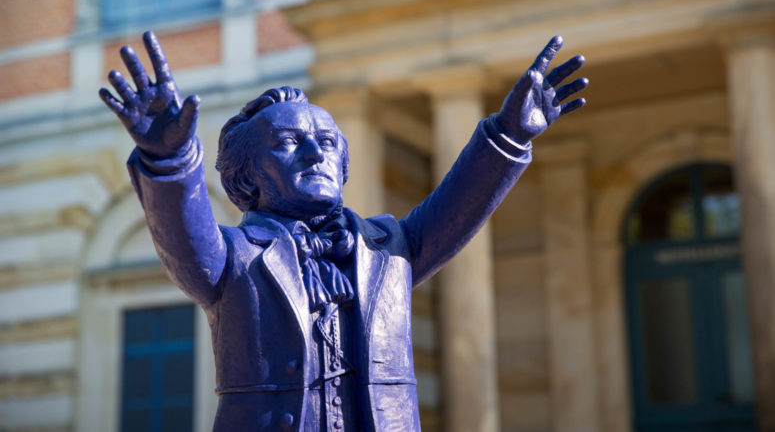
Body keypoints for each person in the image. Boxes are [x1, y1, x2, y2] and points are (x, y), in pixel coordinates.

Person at [99, 31, 587, 431]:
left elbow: (460, 205)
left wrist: (508, 134)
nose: (316, 153)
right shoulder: (234, 257)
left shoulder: (390, 248)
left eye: (328, 141)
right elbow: (183, 236)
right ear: (247, 176)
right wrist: (168, 159)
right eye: (290, 142)